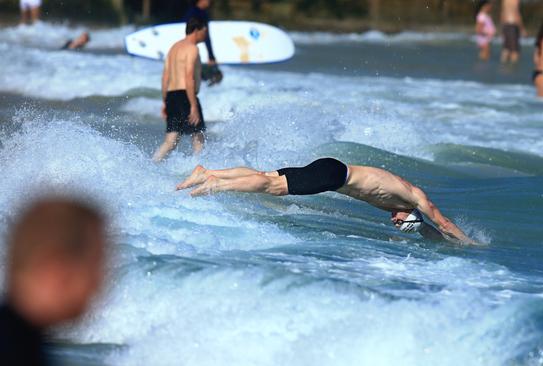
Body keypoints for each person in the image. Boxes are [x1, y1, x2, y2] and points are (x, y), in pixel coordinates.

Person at [176, 158, 477, 245]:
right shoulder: (414, 197)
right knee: (272, 186)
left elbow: (429, 230)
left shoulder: (395, 206)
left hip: (332, 172)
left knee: (267, 176)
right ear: (409, 214)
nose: (394, 223)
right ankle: (216, 185)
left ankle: (207, 172)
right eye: (401, 223)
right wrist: (471, 244)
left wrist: (445, 241)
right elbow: (440, 221)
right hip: (335, 175)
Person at [0, 197, 107, 366]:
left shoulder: (22, 341)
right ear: (55, 268)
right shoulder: (14, 352)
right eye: (95, 267)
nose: (98, 285)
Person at [153, 18, 208, 162]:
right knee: (198, 137)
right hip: (186, 96)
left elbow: (165, 77)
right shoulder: (192, 48)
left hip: (172, 95)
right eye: (204, 31)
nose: (205, 35)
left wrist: (166, 102)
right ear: (197, 30)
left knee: (170, 141)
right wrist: (193, 106)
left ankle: (151, 165)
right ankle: (198, 169)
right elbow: (189, 76)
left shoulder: (174, 47)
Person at [185, 0, 218, 66]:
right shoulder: (195, 13)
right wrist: (211, 56)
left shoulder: (201, 13)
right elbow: (190, 33)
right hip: (191, 49)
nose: (209, 1)